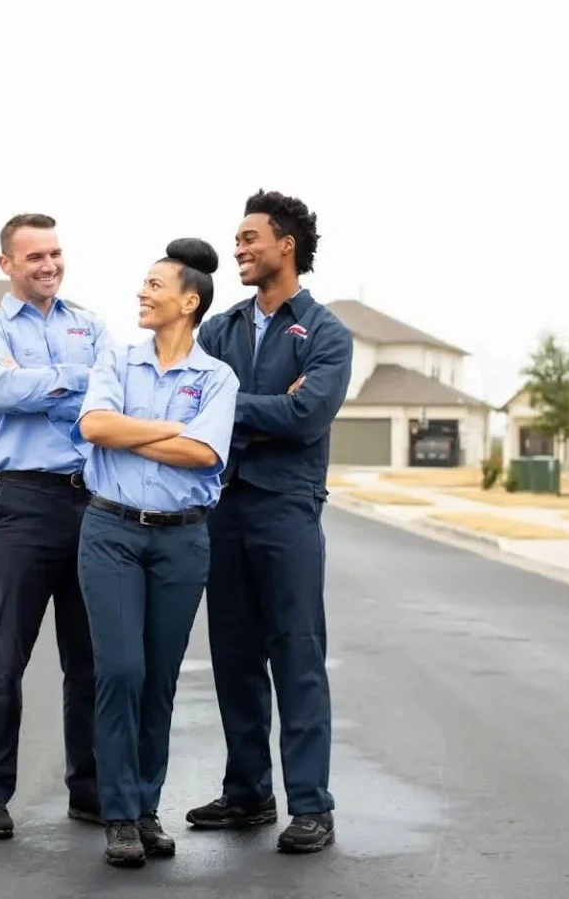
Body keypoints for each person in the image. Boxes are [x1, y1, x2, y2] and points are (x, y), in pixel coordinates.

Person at [187, 189, 353, 854]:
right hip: (221, 506)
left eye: (250, 237)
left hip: (287, 507)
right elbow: (192, 399)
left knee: (297, 653)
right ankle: (249, 791)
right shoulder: (219, 329)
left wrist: (232, 405)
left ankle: (311, 803)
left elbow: (307, 415)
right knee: (232, 654)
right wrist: (259, 404)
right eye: (237, 239)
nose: (239, 249)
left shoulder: (326, 333)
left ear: (286, 244)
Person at [71, 238, 238, 868]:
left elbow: (205, 455)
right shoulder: (117, 358)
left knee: (160, 680)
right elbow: (93, 427)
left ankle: (144, 809)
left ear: (188, 301)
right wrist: (172, 429)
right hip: (111, 531)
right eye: (142, 284)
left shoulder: (218, 377)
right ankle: (117, 815)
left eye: (154, 285)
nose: (142, 293)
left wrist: (133, 434)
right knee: (120, 670)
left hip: (182, 538)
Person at [0, 212, 113, 840]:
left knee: (90, 660)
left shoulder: (91, 325)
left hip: (91, 504)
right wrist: (75, 383)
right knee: (3, 658)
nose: (48, 266)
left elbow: (112, 396)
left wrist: (43, 385)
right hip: (22, 505)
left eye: (55, 254)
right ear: (7, 264)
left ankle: (91, 789)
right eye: (34, 257)